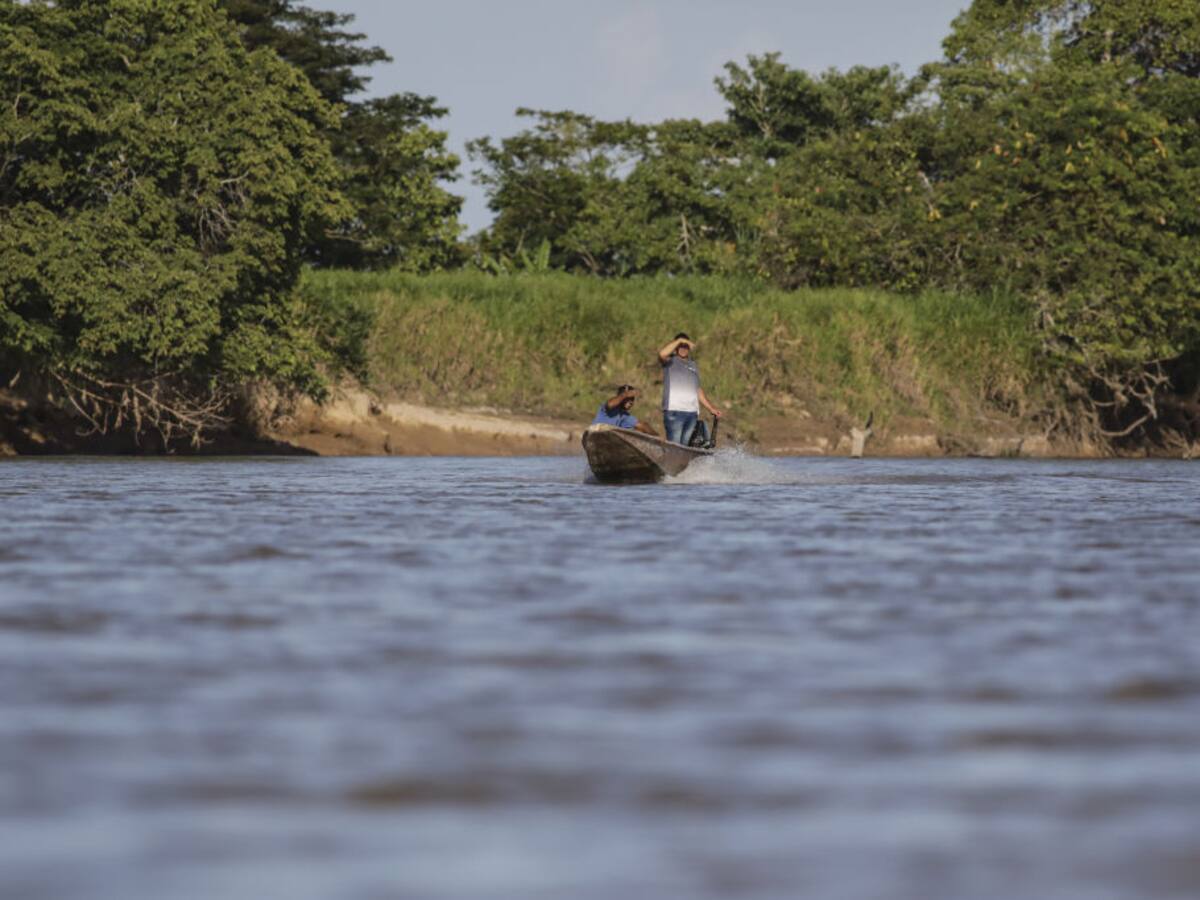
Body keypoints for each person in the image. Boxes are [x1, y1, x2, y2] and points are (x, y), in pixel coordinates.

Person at [658, 332, 722, 446]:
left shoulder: (693, 365)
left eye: (686, 346)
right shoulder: (670, 361)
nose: (683, 348)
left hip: (692, 413)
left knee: (684, 447)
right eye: (680, 346)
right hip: (675, 412)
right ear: (675, 347)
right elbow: (662, 353)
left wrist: (711, 408)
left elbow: (697, 389)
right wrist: (680, 340)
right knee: (674, 447)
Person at [591, 384, 658, 435]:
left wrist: (658, 438)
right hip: (595, 434)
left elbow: (642, 425)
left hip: (608, 440)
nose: (631, 402)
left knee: (639, 431)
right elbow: (610, 404)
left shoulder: (625, 416)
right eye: (629, 399)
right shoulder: (609, 407)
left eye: (632, 399)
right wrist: (625, 394)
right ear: (621, 396)